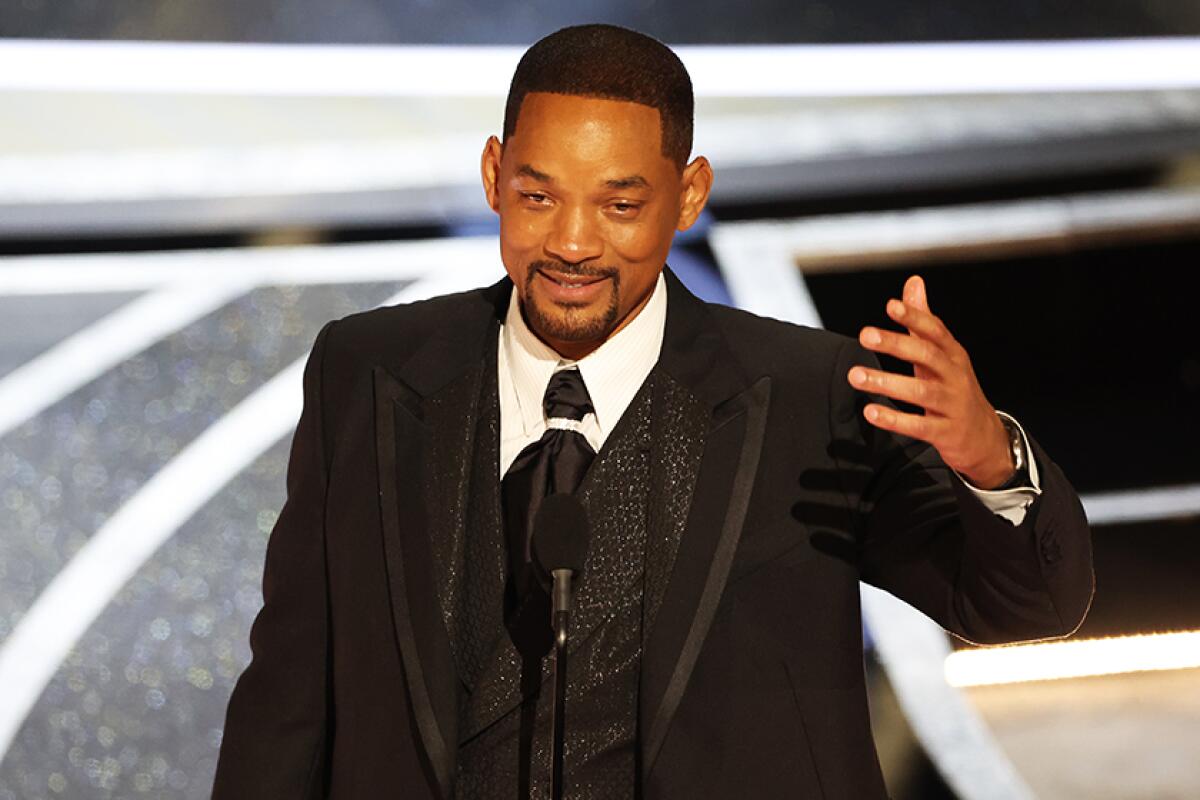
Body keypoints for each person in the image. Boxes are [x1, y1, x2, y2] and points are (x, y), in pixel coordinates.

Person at [212, 24, 1092, 800]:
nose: (571, 242)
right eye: (537, 194)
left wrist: (988, 459)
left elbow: (1025, 608)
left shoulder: (805, 395)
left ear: (690, 194)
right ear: (492, 174)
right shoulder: (366, 372)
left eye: (621, 205)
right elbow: (290, 695)